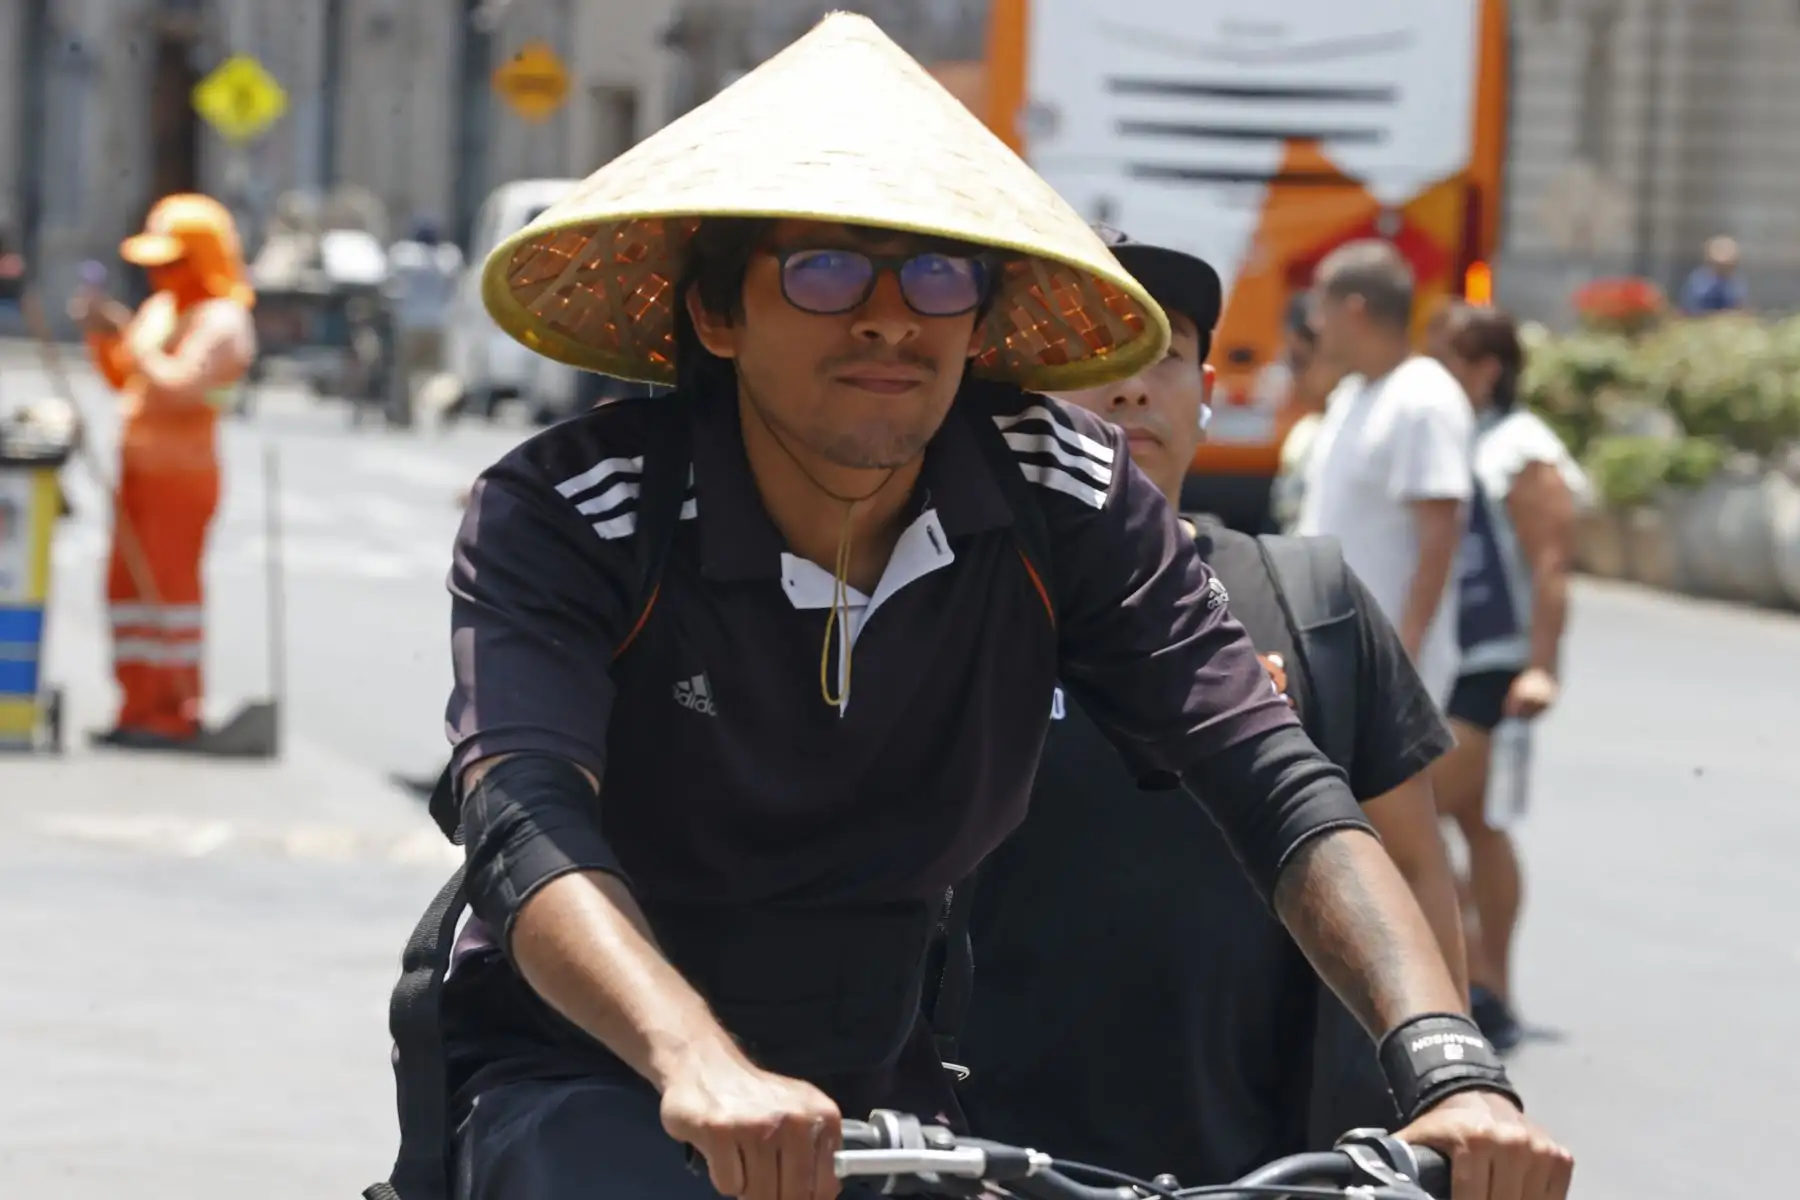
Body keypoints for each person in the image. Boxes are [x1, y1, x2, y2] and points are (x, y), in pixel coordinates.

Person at [388, 16, 1570, 1200]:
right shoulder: (576, 510)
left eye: (937, 274)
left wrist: (1451, 1068)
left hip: (878, 1082)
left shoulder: (1060, 491)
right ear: (718, 316)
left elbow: (1274, 780)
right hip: (587, 1069)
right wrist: (697, 1063)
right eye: (827, 266)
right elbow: (525, 818)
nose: (890, 317)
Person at [956, 225, 1472, 1186]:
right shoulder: (938, 603)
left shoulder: (1312, 603)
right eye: (1090, 355)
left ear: (1205, 402)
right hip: (987, 1160)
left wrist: (1451, 1091)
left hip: (1265, 1163)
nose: (1130, 384)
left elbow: (1409, 861)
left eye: (1168, 355)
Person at [1427, 302, 1589, 1052]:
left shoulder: (1522, 449)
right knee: (1477, 823)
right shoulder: (1448, 435)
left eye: (1450, 357)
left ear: (1487, 369)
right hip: (1444, 655)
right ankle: (1490, 987)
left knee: (1416, 810)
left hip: (1495, 664)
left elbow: (1552, 568)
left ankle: (1478, 978)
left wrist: (1542, 668)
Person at [72, 193, 257, 748]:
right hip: (139, 476)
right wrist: (105, 336)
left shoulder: (223, 321)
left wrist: (129, 339)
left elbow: (180, 387)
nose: (158, 273)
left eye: (171, 262)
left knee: (169, 597)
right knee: (128, 591)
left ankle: (175, 709)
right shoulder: (160, 311)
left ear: (201, 260)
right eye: (153, 263)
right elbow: (124, 378)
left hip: (183, 478)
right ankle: (135, 704)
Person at [1298, 240, 1474, 705]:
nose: (1315, 324)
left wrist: (1404, 658)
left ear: (1355, 311)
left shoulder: (1424, 399)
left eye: (1322, 307)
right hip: (1332, 660)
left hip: (1386, 676)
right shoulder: (1352, 394)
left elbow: (1440, 539)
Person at [387, 217, 464, 426]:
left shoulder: (405, 256)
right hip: (438, 322)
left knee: (405, 374)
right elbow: (454, 288)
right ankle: (442, 410)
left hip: (410, 323)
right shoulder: (448, 258)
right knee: (436, 373)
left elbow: (392, 283)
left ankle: (405, 416)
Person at [1678, 235, 1747, 315]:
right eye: (1723, 265)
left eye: (1730, 265)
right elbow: (1692, 308)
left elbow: (1739, 306)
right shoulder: (1699, 282)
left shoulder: (1736, 282)